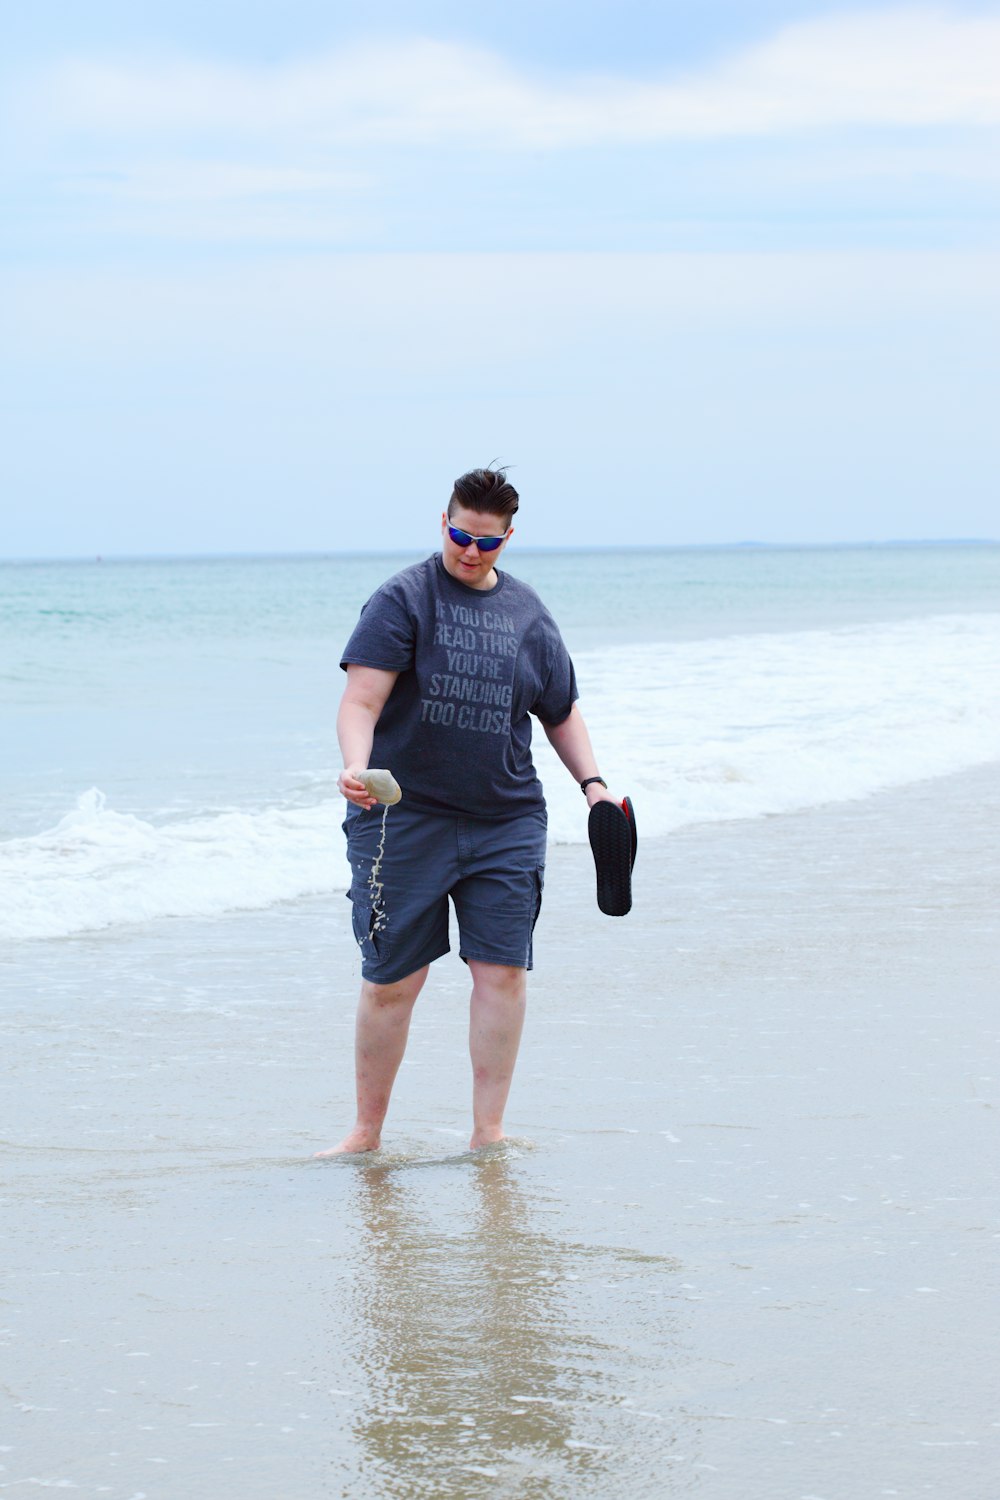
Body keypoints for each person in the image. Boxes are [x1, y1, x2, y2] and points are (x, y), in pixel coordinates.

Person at [316, 466, 622, 1156]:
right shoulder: (402, 600)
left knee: (502, 971)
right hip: (403, 819)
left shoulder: (528, 615)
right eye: (460, 534)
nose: (470, 551)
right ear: (444, 523)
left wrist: (594, 785)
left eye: (487, 541)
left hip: (506, 819)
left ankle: (488, 1134)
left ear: (508, 538)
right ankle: (365, 1134)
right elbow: (361, 700)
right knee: (392, 981)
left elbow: (562, 711)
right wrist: (355, 765)